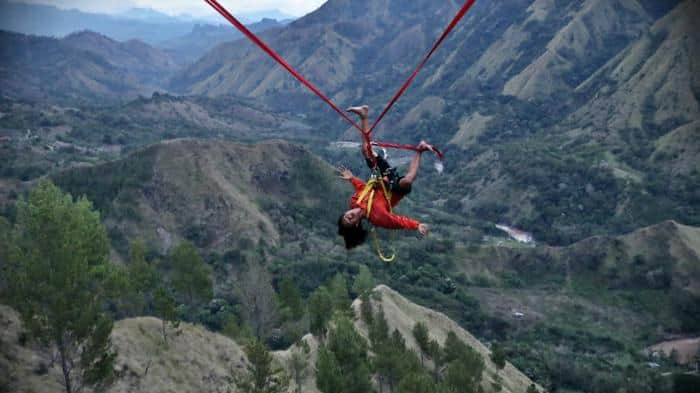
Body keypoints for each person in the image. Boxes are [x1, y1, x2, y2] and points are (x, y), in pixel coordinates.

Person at [337, 105, 430, 249]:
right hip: (393, 189)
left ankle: (364, 115)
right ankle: (420, 150)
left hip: (381, 177)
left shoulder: (354, 202)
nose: (348, 216)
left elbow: (362, 188)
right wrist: (417, 225)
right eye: (349, 220)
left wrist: (351, 178)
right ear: (356, 224)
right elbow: (398, 221)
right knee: (406, 182)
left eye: (345, 216)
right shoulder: (377, 217)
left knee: (366, 150)